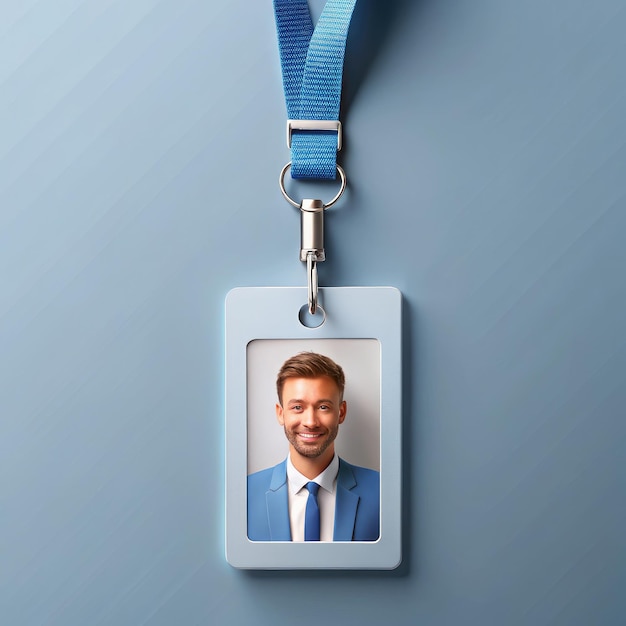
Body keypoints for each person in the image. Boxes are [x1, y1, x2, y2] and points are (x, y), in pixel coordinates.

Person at [247, 352, 380, 542]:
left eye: (323, 407)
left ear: (341, 413)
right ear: (280, 414)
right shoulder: (244, 494)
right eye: (297, 407)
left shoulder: (383, 492)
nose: (310, 422)